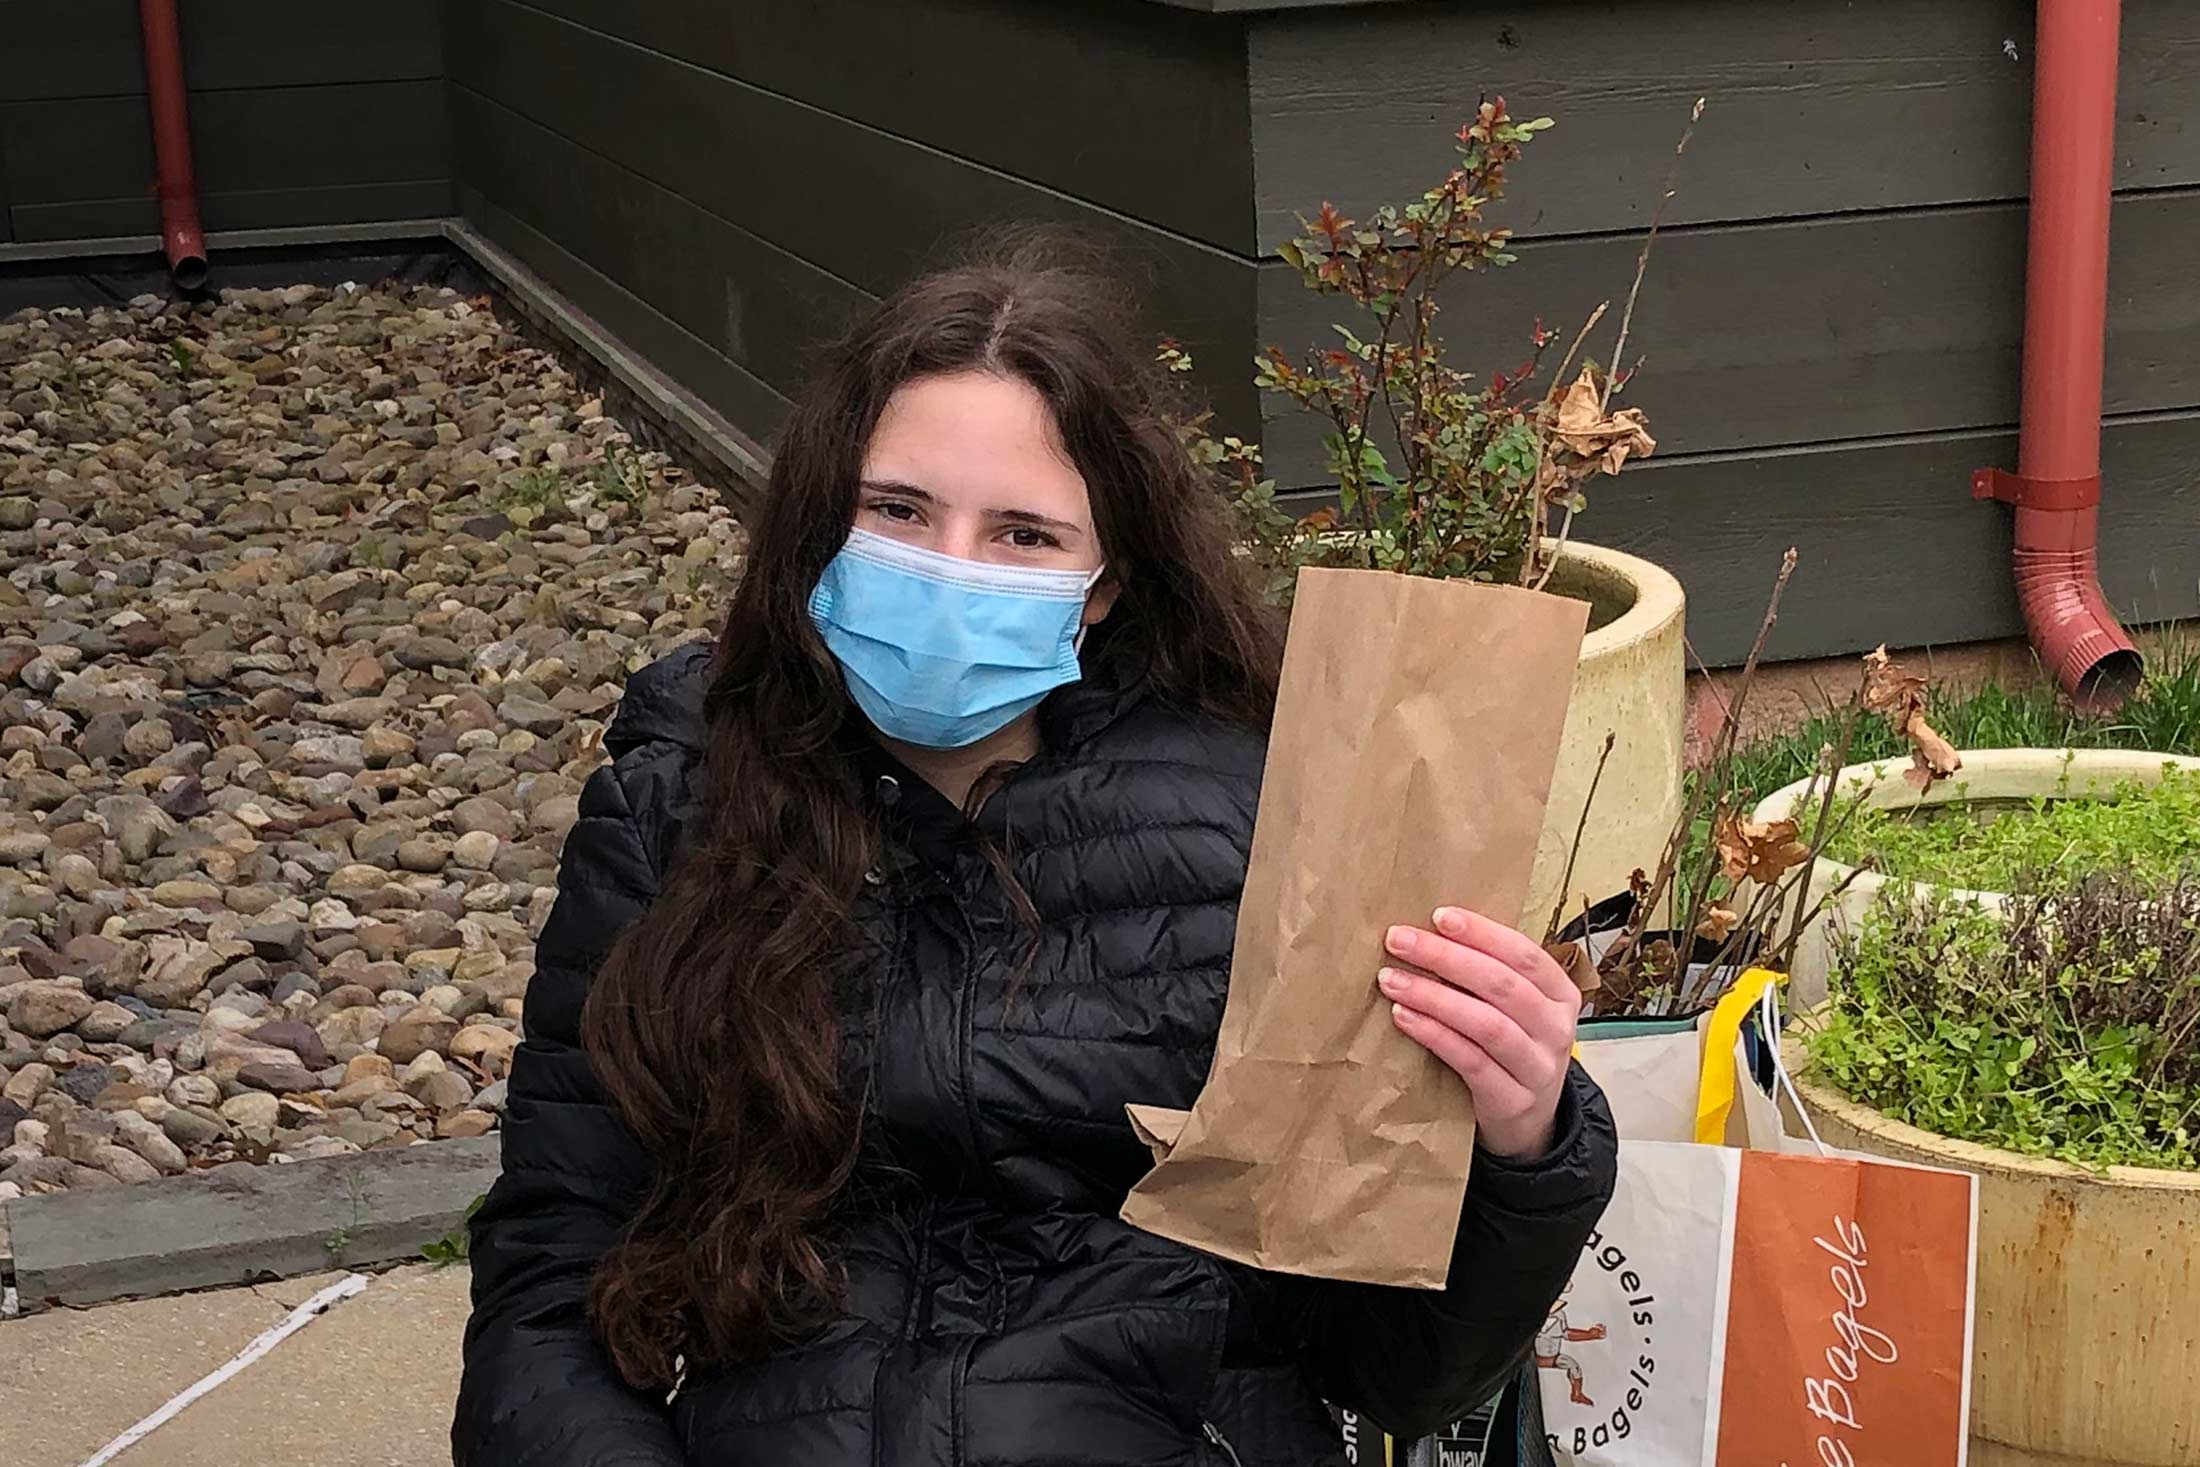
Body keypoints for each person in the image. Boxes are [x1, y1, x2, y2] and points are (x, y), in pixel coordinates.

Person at [451, 250, 1618, 1467]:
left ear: (1103, 580)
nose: (952, 572)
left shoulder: (1274, 830)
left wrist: (1517, 1146)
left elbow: (1388, 1367)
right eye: (898, 510)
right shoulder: (677, 806)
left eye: (1022, 533)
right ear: (818, 518)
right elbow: (555, 1274)